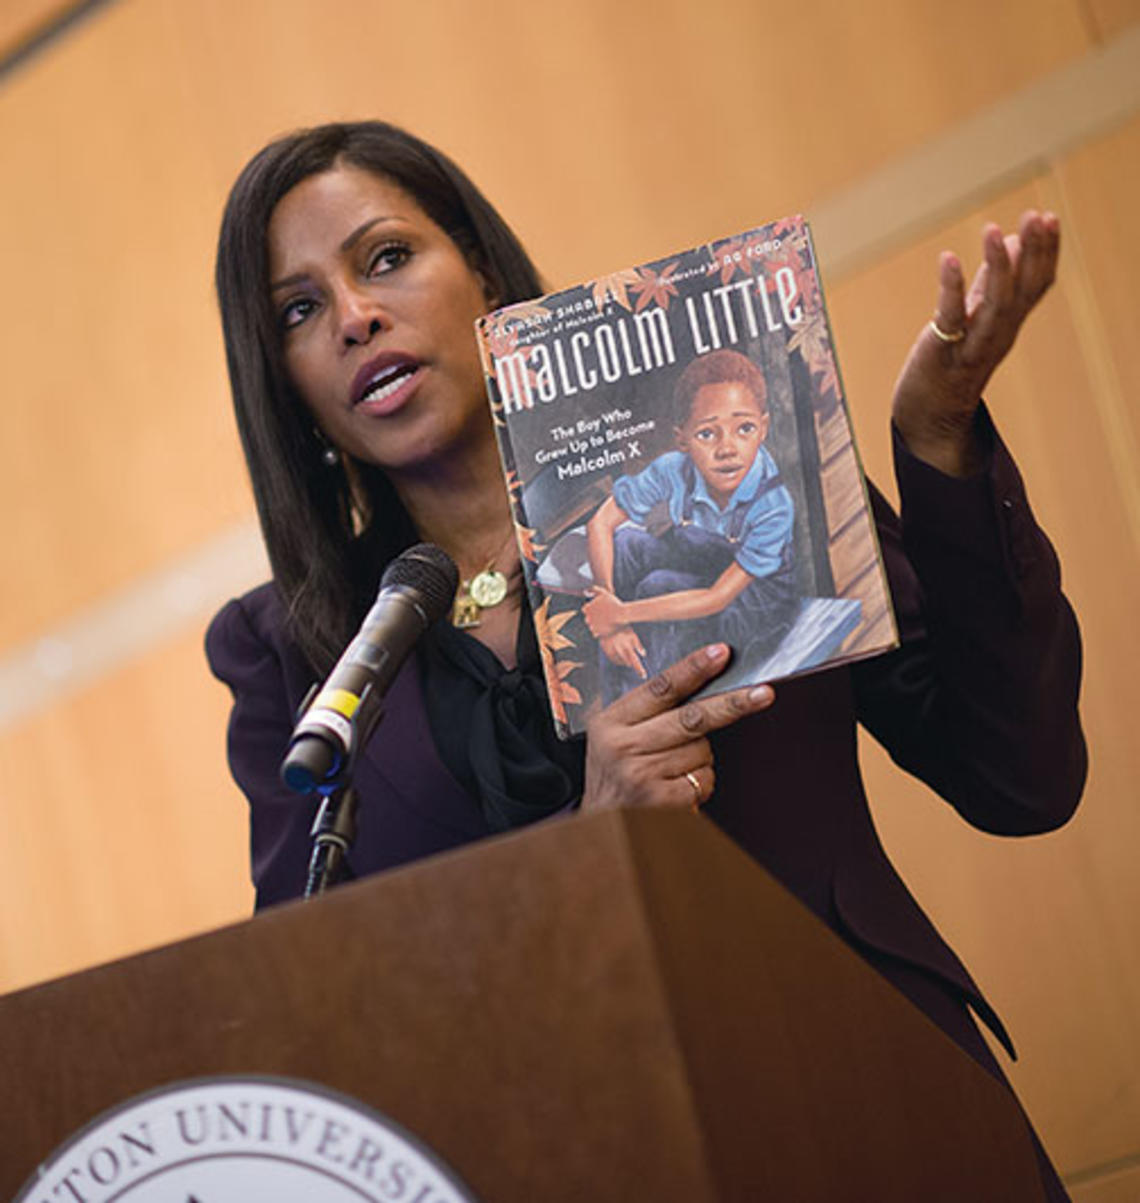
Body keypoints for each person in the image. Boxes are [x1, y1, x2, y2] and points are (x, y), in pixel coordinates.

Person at [206, 121, 1084, 1199]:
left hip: (875, 1102)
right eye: (298, 310)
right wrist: (595, 848)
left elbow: (1019, 777)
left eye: (386, 258)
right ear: (280, 377)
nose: (355, 317)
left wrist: (940, 441)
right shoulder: (289, 652)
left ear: (481, 269)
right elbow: (316, 1024)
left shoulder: (742, 470)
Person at [583, 348, 799, 700]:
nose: (727, 448)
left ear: (763, 428)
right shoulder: (674, 468)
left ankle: (644, 697)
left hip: (755, 605)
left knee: (658, 585)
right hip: (708, 564)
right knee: (627, 546)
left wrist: (621, 613)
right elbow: (601, 523)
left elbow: (717, 598)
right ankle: (620, 678)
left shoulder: (773, 506)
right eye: (707, 434)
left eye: (744, 428)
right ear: (682, 438)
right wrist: (609, 622)